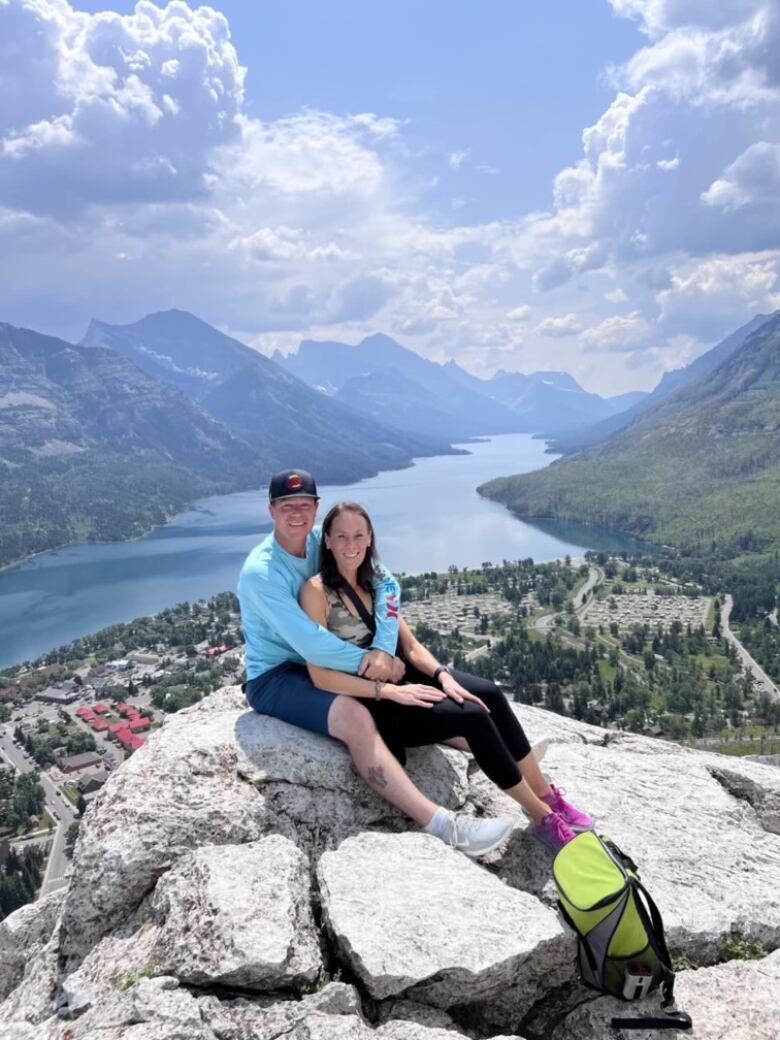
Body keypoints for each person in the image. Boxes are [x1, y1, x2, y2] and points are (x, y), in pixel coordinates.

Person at [237, 469, 514, 858]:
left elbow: (386, 581)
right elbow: (310, 645)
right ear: (271, 510)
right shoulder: (261, 572)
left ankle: (488, 748)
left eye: (304, 505)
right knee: (356, 716)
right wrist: (375, 666)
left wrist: (384, 651)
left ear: (317, 508)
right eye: (287, 506)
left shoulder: (322, 541)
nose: (296, 513)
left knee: (407, 703)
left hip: (321, 660)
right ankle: (442, 824)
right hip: (278, 675)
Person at [298, 501, 595, 852]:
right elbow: (319, 675)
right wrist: (386, 691)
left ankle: (546, 793)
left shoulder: (375, 582)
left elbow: (408, 645)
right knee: (472, 716)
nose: (351, 545)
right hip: (374, 699)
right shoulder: (316, 593)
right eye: (342, 536)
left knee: (488, 694)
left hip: (402, 676)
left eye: (359, 535)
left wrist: (442, 675)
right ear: (327, 541)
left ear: (370, 538)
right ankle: (542, 816)